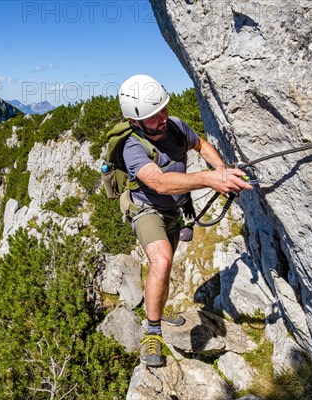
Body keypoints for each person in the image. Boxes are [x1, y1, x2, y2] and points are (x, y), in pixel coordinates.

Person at [117, 74, 253, 367]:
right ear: (135, 122)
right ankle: (151, 332)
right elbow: (160, 184)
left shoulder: (176, 126)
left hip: (174, 211)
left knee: (165, 266)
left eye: (163, 109)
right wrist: (209, 179)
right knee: (162, 262)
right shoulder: (133, 147)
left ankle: (158, 306)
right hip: (147, 209)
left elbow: (201, 145)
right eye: (153, 116)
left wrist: (223, 170)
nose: (162, 118)